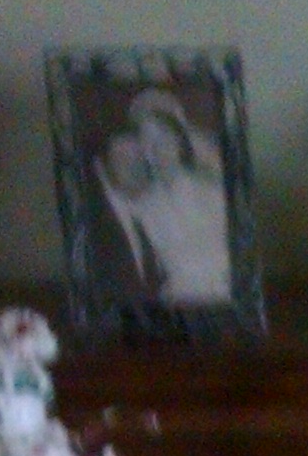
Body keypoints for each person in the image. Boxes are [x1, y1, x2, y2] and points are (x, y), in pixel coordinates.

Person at [89, 87, 232, 310]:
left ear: (180, 141)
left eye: (164, 139)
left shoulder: (214, 189)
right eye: (147, 142)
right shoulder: (141, 204)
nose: (156, 151)